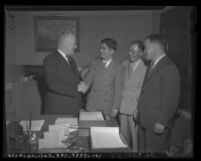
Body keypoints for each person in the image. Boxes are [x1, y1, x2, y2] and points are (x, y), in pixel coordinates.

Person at [138, 34, 180, 152]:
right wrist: (138, 109)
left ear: (155, 47)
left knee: (153, 151)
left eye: (146, 48)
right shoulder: (151, 65)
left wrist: (162, 121)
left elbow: (170, 99)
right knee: (143, 150)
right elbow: (145, 91)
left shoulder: (169, 67)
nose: (144, 51)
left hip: (156, 122)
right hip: (144, 119)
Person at [78, 38, 124, 117]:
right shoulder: (95, 63)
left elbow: (118, 91)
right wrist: (82, 86)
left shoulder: (118, 67)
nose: (100, 50)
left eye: (104, 48)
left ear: (112, 51)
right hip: (92, 104)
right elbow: (88, 80)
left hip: (107, 106)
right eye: (100, 48)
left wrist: (115, 108)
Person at [43, 31, 82, 116]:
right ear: (65, 43)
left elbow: (74, 81)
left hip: (74, 109)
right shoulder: (50, 60)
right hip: (59, 110)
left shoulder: (72, 60)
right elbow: (53, 84)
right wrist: (77, 88)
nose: (76, 46)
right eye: (74, 43)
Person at [119, 41, 147, 152]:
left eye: (133, 51)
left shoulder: (147, 67)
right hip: (123, 105)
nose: (129, 53)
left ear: (141, 53)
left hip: (135, 106)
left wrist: (139, 107)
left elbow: (145, 90)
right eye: (129, 50)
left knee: (135, 137)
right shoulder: (125, 64)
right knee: (123, 136)